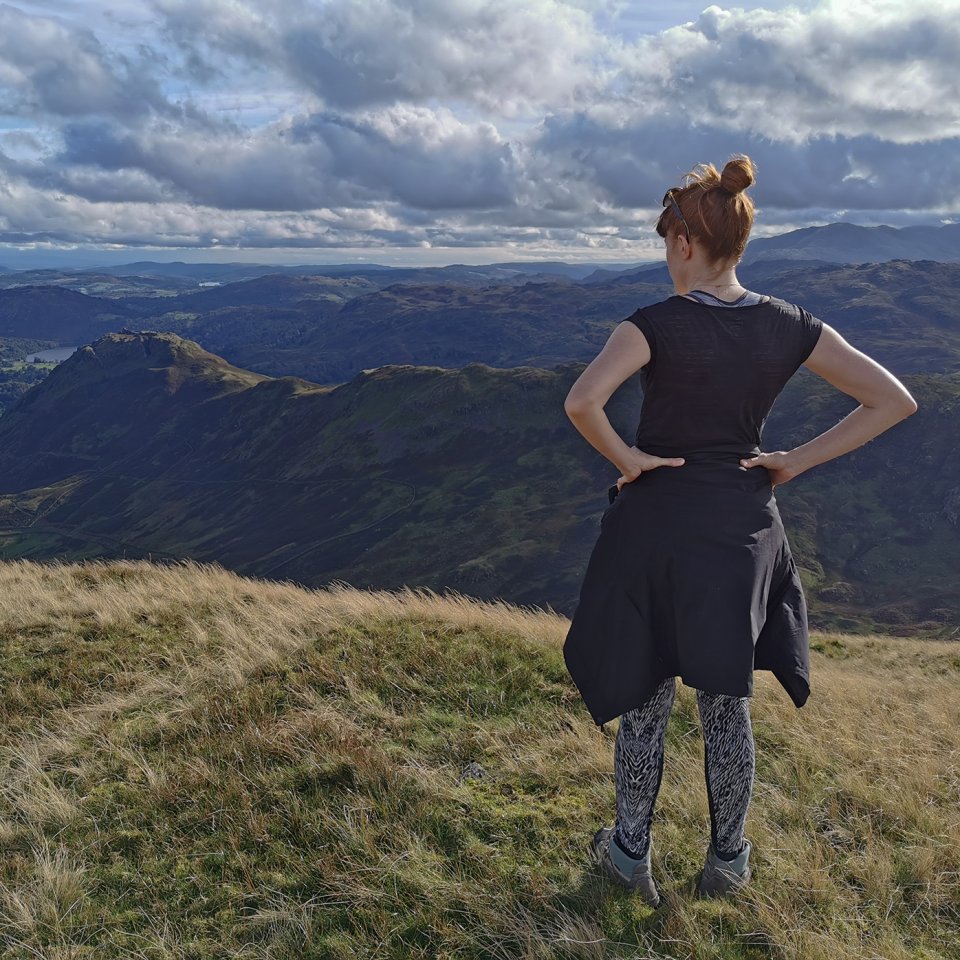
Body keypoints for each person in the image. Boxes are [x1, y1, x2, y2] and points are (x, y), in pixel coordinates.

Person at [561, 154, 918, 907]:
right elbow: (892, 401)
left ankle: (629, 858)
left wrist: (630, 460)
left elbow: (582, 402)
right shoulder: (790, 325)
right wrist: (793, 462)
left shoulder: (651, 326)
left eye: (666, 243)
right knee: (726, 702)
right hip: (742, 531)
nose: (665, 257)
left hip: (658, 526)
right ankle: (728, 865)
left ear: (684, 243)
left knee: (647, 698)